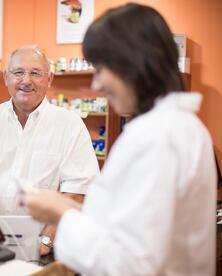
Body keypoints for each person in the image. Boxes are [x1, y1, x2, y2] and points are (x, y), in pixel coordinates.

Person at [23, 3, 216, 275]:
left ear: (132, 65)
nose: (96, 85)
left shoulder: (155, 137)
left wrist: (61, 215)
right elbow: (133, 225)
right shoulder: (185, 127)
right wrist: (67, 208)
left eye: (101, 70)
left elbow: (129, 264)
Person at [0, 45, 100, 255]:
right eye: (18, 72)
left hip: (45, 244)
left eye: (35, 73)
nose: (26, 81)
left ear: (49, 79)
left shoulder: (70, 124)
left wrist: (47, 240)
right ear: (6, 77)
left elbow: (77, 191)